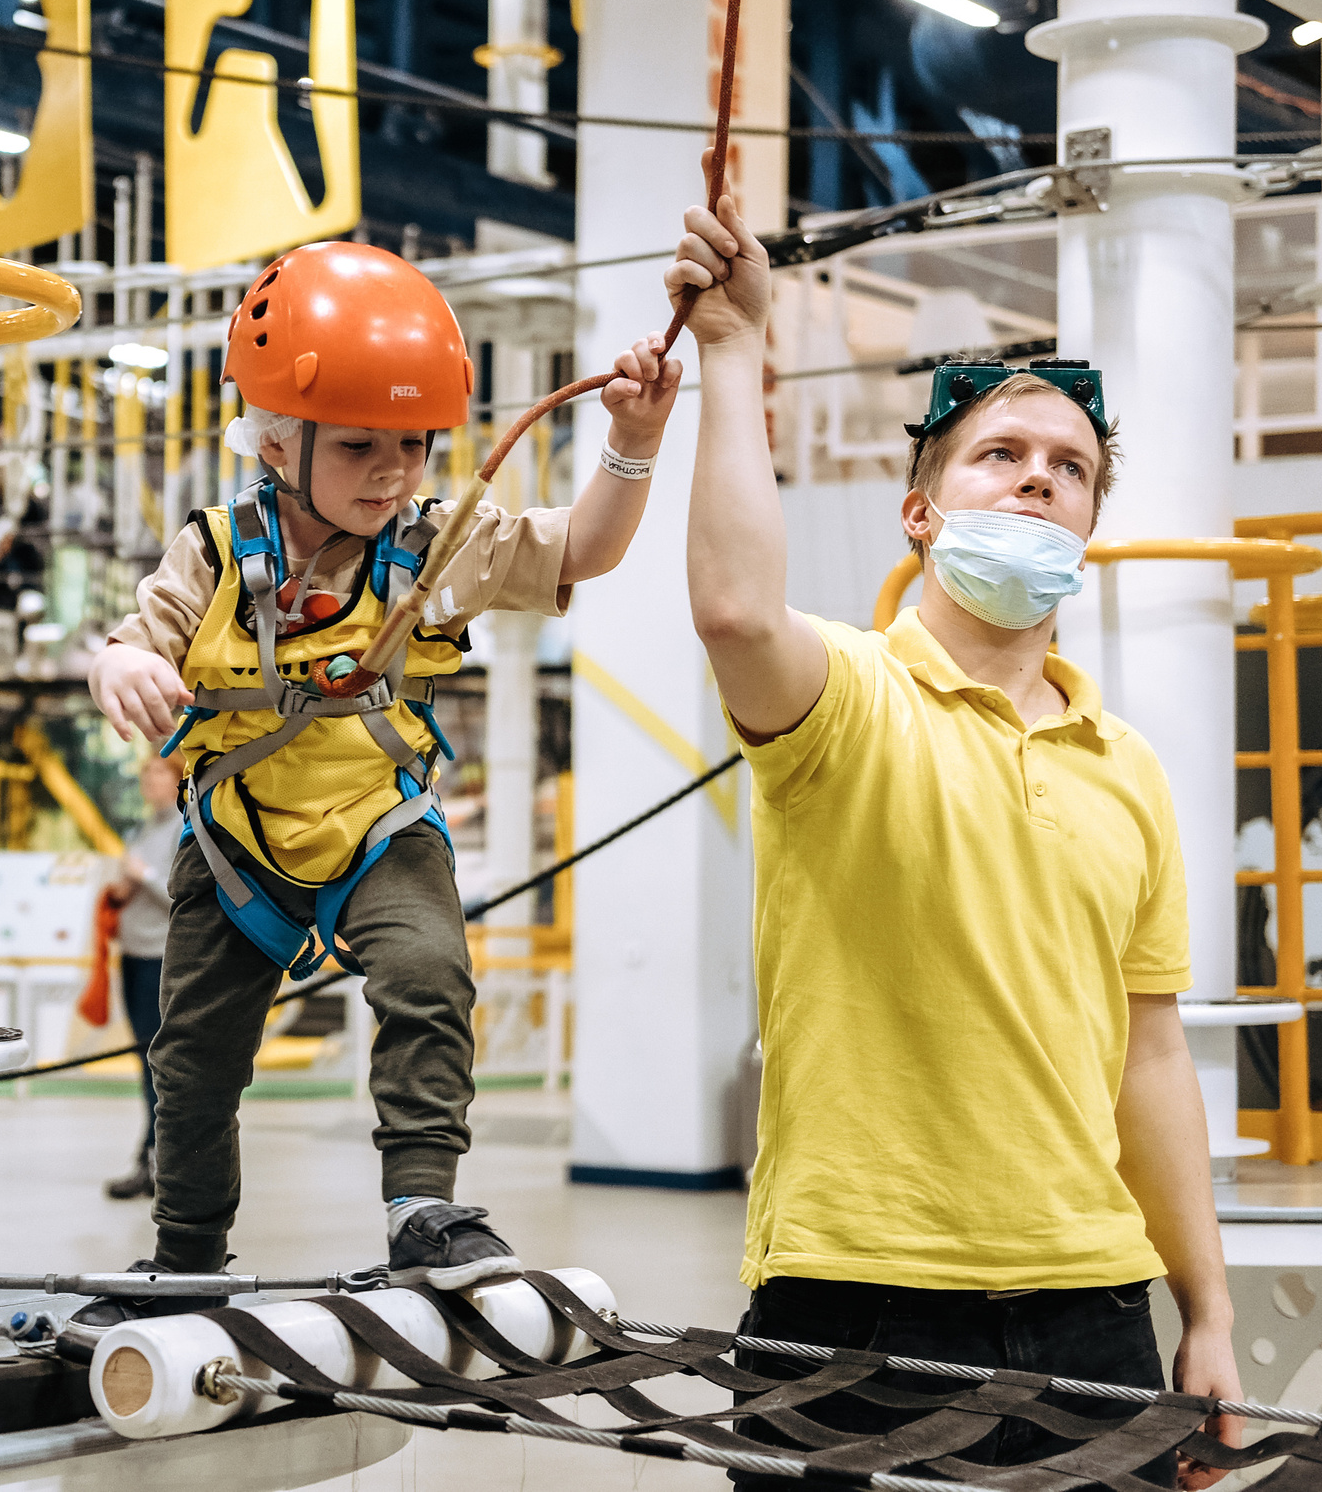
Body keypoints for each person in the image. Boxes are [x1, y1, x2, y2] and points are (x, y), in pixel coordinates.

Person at [663, 189, 1242, 1488]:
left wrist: (1203, 1307)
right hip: (855, 1293)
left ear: (1088, 525)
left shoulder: (1129, 767)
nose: (1041, 471)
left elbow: (1152, 1055)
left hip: (1095, 1298)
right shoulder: (848, 699)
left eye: (1071, 464)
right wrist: (734, 346)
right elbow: (737, 609)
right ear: (921, 511)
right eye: (999, 453)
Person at [85, 241, 680, 1309]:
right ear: (275, 440)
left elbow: (582, 548)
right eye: (359, 446)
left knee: (427, 976)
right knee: (194, 1062)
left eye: (411, 446)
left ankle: (422, 1212)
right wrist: (121, 663)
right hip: (239, 844)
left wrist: (631, 445)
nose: (392, 472)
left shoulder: (435, 545)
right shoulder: (219, 553)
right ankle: (183, 1257)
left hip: (375, 821)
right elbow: (141, 638)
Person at [101, 756, 183, 1202]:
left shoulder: (180, 830)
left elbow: (178, 893)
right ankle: (149, 1155)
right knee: (144, 1060)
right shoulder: (142, 830)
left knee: (158, 1063)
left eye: (158, 775)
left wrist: (143, 876)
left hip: (160, 956)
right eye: (146, 776)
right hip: (132, 954)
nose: (149, 783)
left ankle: (156, 1161)